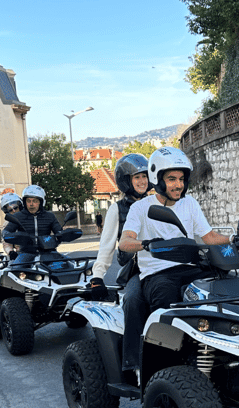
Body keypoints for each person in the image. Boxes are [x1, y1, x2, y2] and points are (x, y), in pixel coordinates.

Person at [118, 146, 230, 312]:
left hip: (190, 268)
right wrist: (147, 244)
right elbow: (124, 242)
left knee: (224, 286)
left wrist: (235, 239)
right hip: (157, 274)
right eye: (172, 179)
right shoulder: (140, 208)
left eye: (181, 179)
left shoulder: (190, 203)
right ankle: (157, 338)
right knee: (165, 296)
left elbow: (210, 237)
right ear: (158, 179)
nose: (179, 185)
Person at [89, 153, 152, 377]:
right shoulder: (117, 209)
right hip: (136, 269)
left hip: (164, 264)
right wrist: (97, 277)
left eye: (144, 176)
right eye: (137, 177)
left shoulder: (157, 202)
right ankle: (134, 363)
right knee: (133, 301)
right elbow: (106, 245)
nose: (142, 181)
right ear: (126, 181)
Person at [2, 185, 62, 257]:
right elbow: (6, 231)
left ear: (41, 202)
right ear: (25, 202)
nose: (31, 204)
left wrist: (64, 234)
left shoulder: (50, 216)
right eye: (28, 201)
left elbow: (59, 231)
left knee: (67, 265)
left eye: (35, 201)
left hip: (49, 252)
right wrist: (10, 236)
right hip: (25, 253)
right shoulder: (17, 217)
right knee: (16, 267)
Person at [0, 192, 23, 259]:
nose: (14, 211)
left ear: (20, 207)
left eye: (15, 208)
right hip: (21, 253)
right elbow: (6, 243)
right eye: (10, 210)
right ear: (7, 211)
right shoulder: (7, 224)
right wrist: (10, 252)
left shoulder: (31, 218)